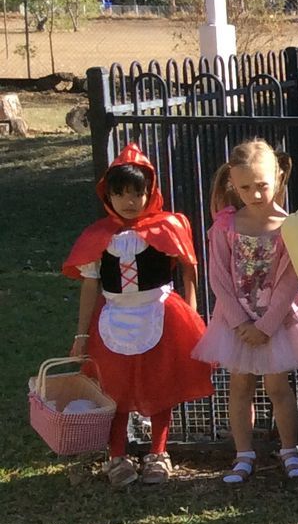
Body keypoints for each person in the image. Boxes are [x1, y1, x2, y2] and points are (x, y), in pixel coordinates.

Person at [63, 143, 214, 486]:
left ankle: (158, 453)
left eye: (137, 193)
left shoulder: (170, 226)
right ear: (108, 195)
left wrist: (191, 312)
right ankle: (116, 456)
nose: (129, 201)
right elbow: (89, 286)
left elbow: (190, 267)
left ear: (150, 193)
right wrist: (82, 334)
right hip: (113, 318)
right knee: (112, 389)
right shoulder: (98, 236)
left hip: (161, 314)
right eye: (120, 193)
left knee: (161, 383)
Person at [194, 139, 298, 484]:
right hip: (236, 322)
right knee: (240, 386)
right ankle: (243, 454)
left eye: (262, 186)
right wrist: (241, 321)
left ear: (277, 177)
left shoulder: (291, 226)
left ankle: (290, 450)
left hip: (277, 322)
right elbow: (219, 276)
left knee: (278, 387)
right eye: (245, 187)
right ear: (233, 184)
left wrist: (267, 325)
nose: (254, 194)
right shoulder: (225, 225)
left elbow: (290, 281)